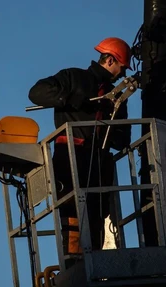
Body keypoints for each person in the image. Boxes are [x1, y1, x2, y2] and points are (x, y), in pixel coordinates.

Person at [28, 37, 132, 259]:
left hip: (98, 162)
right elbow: (36, 92)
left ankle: (94, 258)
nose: (122, 74)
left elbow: (123, 138)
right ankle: (74, 262)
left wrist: (112, 127)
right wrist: (68, 98)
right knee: (72, 209)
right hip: (70, 157)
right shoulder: (73, 78)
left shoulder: (117, 97)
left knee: (98, 213)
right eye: (122, 68)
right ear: (111, 60)